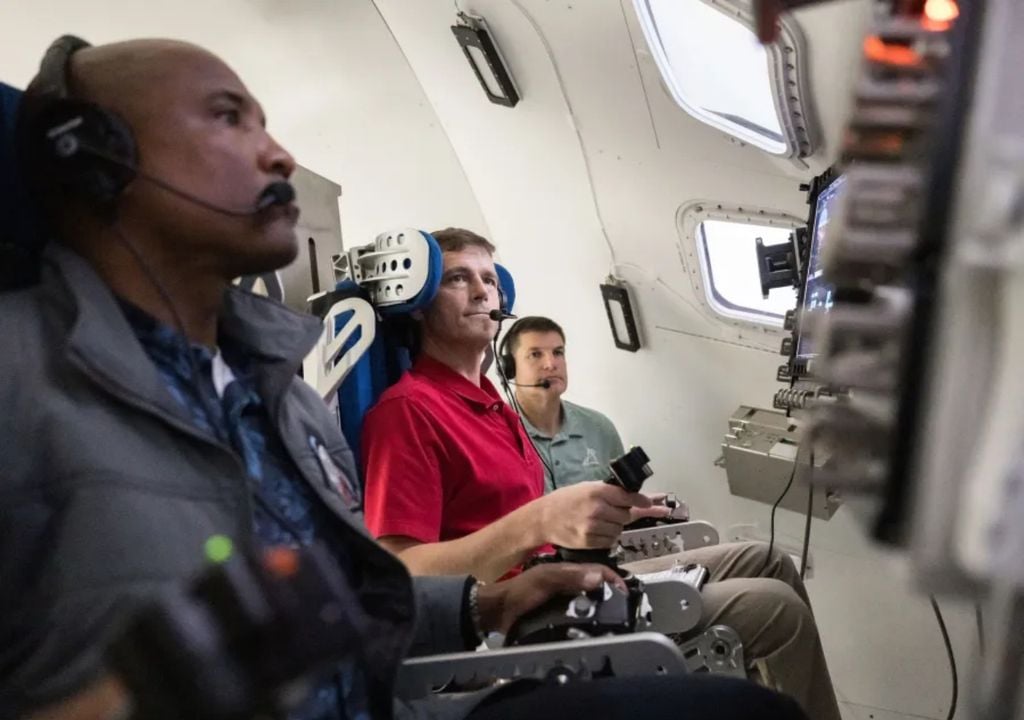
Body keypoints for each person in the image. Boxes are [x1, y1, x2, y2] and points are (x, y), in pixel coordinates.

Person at [1, 36, 807, 720]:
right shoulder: (21, 381)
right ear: (96, 157)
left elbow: (361, 594)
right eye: (225, 117)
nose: (278, 153)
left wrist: (485, 603)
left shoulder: (279, 396)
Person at [361, 233, 842, 720]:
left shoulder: (491, 403)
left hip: (559, 578)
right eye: (457, 279)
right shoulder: (408, 412)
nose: (483, 292)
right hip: (511, 613)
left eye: (489, 279)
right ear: (418, 304)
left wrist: (611, 512)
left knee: (767, 558)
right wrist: (538, 522)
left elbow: (526, 518)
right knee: (777, 611)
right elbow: (402, 576)